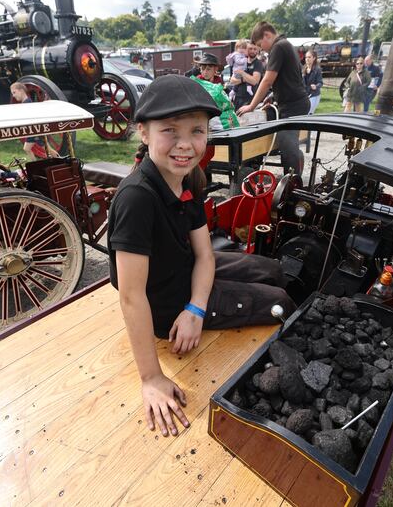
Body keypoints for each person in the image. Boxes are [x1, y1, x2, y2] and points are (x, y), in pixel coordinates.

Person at [107, 74, 295, 436]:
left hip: (188, 278)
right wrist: (150, 377)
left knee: (273, 270)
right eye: (170, 131)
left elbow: (205, 256)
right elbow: (131, 296)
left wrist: (198, 305)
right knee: (281, 302)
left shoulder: (188, 179)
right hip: (166, 307)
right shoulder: (137, 199)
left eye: (197, 131)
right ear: (144, 133)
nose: (185, 145)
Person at [237, 21, 310, 174]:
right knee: (260, 125)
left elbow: (267, 80)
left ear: (267, 35)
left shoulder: (278, 47)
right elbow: (287, 78)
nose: (260, 49)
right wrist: (272, 96)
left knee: (287, 144)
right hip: (291, 103)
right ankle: (253, 165)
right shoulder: (285, 45)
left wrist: (251, 106)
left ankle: (293, 185)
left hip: (293, 105)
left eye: (259, 44)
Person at [9, 82, 59, 160]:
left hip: (35, 131)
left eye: (14, 92)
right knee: (28, 149)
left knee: (48, 149)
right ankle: (35, 164)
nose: (13, 95)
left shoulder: (28, 103)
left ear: (21, 90)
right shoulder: (26, 102)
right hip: (33, 131)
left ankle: (60, 160)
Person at [231, 42, 264, 110]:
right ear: (246, 49)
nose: (253, 51)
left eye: (255, 49)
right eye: (250, 49)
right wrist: (244, 79)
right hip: (237, 98)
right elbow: (232, 81)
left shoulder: (258, 63)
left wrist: (242, 73)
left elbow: (254, 81)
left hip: (250, 100)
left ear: (258, 50)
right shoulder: (241, 61)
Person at [302, 49, 323, 115]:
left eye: (309, 57)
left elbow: (320, 83)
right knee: (304, 114)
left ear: (314, 58)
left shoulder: (317, 69)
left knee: (308, 113)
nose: (307, 59)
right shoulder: (304, 68)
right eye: (306, 57)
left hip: (314, 95)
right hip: (305, 95)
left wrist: (316, 86)